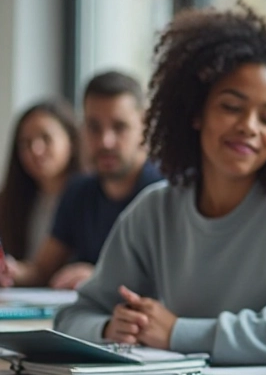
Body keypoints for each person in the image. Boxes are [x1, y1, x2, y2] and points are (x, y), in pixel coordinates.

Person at [54, 3, 266, 365]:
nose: (250, 126)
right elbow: (74, 317)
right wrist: (108, 329)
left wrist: (178, 332)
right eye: (231, 107)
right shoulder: (155, 210)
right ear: (196, 111)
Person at [9, 71, 162, 289]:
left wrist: (101, 276)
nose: (105, 141)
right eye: (94, 127)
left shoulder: (166, 194)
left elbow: (172, 282)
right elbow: (42, 270)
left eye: (119, 127)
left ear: (144, 126)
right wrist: (11, 271)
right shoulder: (78, 191)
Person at [0, 99, 81, 263]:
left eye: (46, 138)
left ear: (71, 142)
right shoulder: (11, 201)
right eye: (25, 142)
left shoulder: (91, 196)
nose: (35, 150)